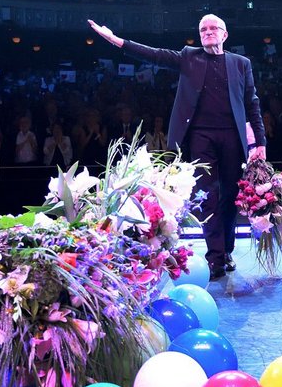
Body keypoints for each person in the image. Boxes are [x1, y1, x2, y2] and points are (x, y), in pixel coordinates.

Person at [89, 15, 266, 280]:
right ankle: (215, 258)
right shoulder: (189, 57)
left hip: (232, 137)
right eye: (202, 29)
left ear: (224, 34)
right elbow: (154, 55)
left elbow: (252, 103)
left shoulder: (241, 64)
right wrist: (118, 41)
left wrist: (260, 142)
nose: (207, 32)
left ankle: (226, 251)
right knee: (210, 196)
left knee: (230, 198)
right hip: (200, 137)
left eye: (212, 28)